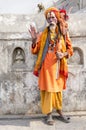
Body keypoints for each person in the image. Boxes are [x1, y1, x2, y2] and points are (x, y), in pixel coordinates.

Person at [29, 7, 73, 125]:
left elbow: (70, 50)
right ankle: (49, 115)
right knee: (48, 90)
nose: (51, 19)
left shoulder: (63, 33)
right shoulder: (43, 34)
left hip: (59, 66)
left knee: (58, 90)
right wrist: (34, 40)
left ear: (57, 18)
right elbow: (35, 50)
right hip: (46, 66)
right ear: (47, 20)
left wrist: (63, 54)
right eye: (49, 18)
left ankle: (59, 111)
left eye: (53, 17)